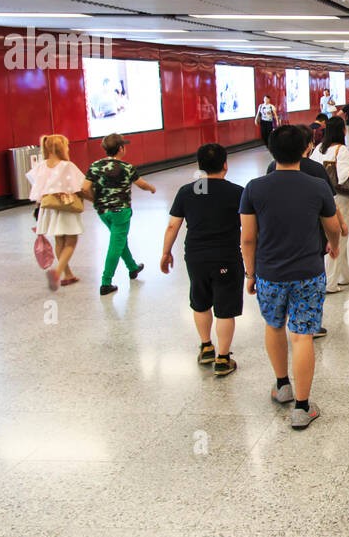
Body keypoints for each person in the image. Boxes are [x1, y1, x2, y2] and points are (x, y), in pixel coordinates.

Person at [241, 125, 342, 429]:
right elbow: (333, 227)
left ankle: (282, 385)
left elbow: (248, 238)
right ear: (304, 149)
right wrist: (333, 246)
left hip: (269, 273)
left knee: (274, 326)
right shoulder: (317, 186)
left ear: (271, 151)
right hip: (308, 272)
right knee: (302, 335)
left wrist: (250, 273)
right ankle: (302, 406)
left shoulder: (254, 188)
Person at [160, 143, 245, 377]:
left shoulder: (187, 191)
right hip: (226, 257)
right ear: (225, 165)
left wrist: (166, 253)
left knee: (200, 300)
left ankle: (206, 345)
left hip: (195, 257)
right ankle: (223, 359)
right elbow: (249, 230)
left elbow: (172, 225)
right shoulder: (237, 192)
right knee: (225, 309)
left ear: (199, 166)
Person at [83, 133, 156, 296]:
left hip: (103, 212)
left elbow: (84, 188)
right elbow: (141, 184)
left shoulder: (95, 165)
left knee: (119, 239)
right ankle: (105, 282)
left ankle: (132, 268)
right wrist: (151, 188)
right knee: (116, 244)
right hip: (120, 212)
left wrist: (95, 201)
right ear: (121, 148)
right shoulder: (126, 167)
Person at [26, 133, 86, 290]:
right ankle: (58, 272)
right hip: (66, 207)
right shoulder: (67, 166)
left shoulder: (40, 166)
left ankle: (68, 274)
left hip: (49, 209)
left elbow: (35, 186)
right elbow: (81, 185)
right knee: (71, 241)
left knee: (59, 241)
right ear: (61, 148)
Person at [311, 116, 349, 294]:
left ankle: (345, 275)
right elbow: (343, 176)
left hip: (321, 197)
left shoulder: (319, 150)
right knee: (338, 239)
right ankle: (330, 283)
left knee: (329, 236)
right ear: (342, 131)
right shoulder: (341, 150)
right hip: (340, 199)